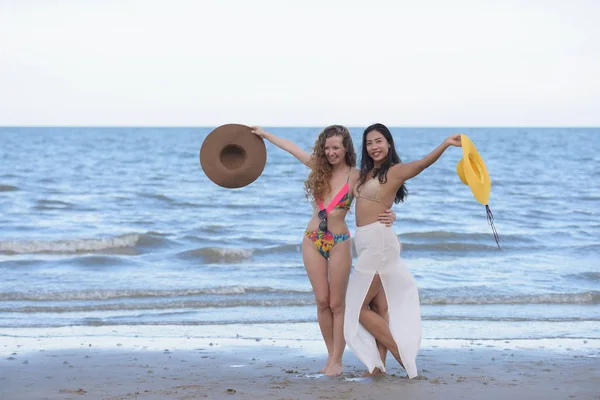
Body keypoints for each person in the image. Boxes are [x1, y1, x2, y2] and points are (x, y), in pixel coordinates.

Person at [250, 125, 396, 376]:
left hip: (339, 240)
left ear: (346, 148)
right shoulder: (318, 169)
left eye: (336, 147)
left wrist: (390, 213)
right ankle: (330, 355)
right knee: (321, 301)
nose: (330, 153)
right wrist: (265, 135)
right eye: (327, 148)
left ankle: (337, 360)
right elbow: (291, 147)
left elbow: (378, 197)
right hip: (312, 239)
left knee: (337, 303)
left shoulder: (357, 176)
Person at [344, 123, 461, 378]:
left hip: (379, 243)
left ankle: (400, 355)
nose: (374, 147)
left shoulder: (395, 171)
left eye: (378, 141)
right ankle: (378, 368)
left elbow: (422, 164)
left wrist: (445, 144)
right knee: (377, 307)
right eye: (369, 143)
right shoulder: (364, 174)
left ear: (388, 143)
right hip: (365, 242)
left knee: (358, 307)